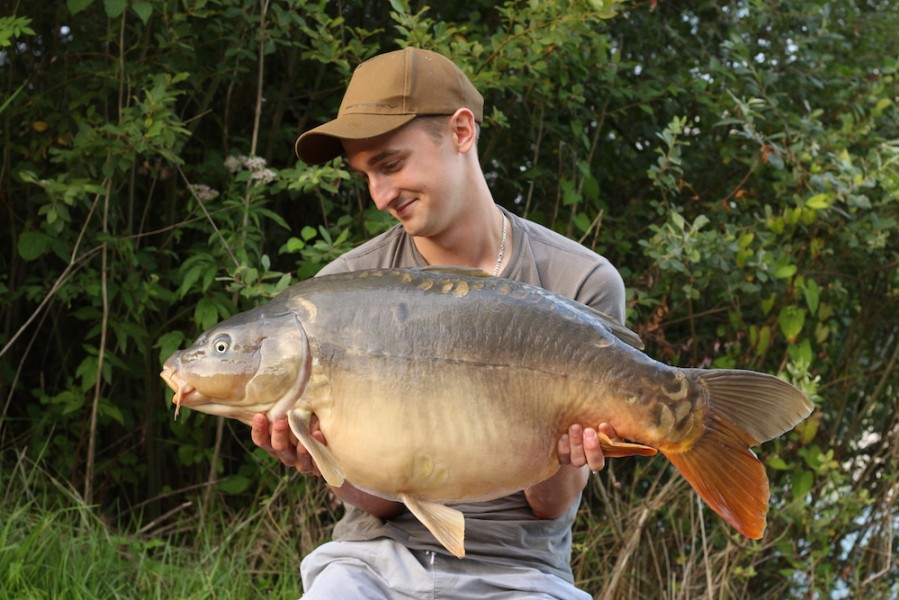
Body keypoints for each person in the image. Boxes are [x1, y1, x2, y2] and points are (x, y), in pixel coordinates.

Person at [250, 47, 627, 599]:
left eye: (391, 164)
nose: (380, 196)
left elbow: (549, 507)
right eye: (366, 175)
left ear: (460, 131)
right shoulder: (343, 291)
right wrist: (322, 461)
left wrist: (568, 447)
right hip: (372, 564)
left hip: (520, 573)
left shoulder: (578, 280)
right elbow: (380, 503)